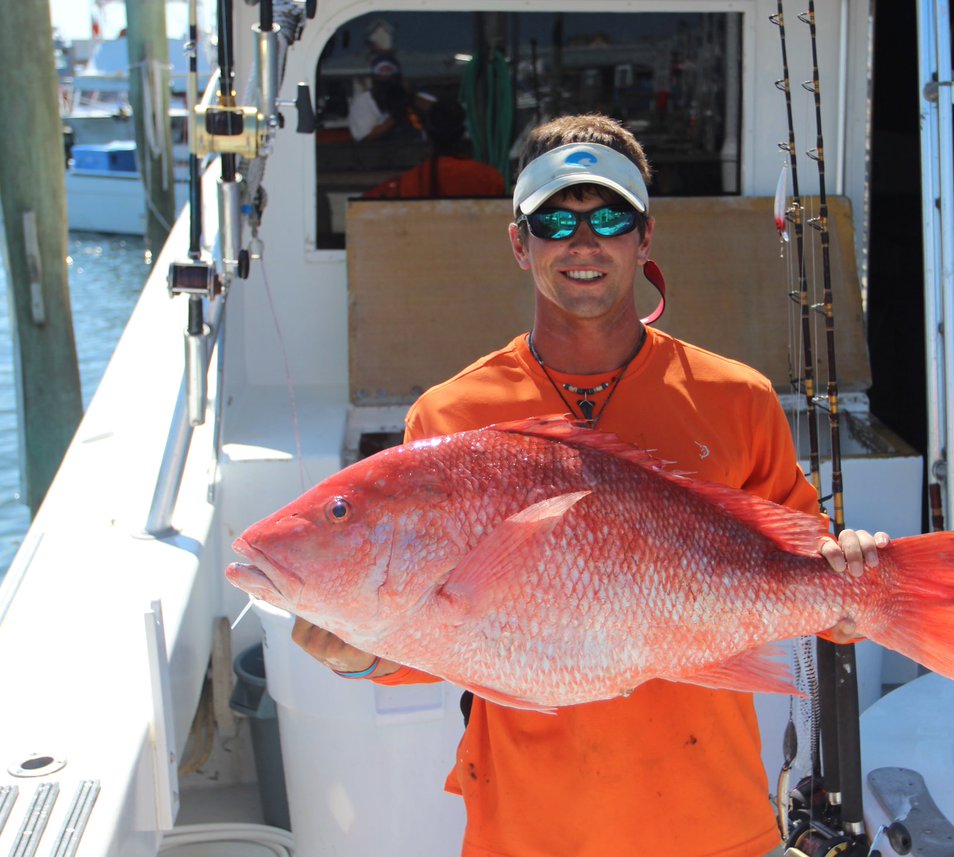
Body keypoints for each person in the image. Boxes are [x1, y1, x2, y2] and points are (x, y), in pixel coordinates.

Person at [293, 113, 889, 857]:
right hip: (528, 828)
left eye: (609, 216)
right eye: (554, 219)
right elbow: (443, 631)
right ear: (520, 243)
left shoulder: (739, 399)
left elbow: (810, 581)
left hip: (713, 821)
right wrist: (358, 654)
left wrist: (850, 588)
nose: (583, 241)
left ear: (646, 239)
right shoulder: (449, 417)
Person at [362, 98, 506, 199]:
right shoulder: (489, 178)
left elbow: (366, 205)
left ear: (429, 135)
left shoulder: (409, 182)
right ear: (463, 134)